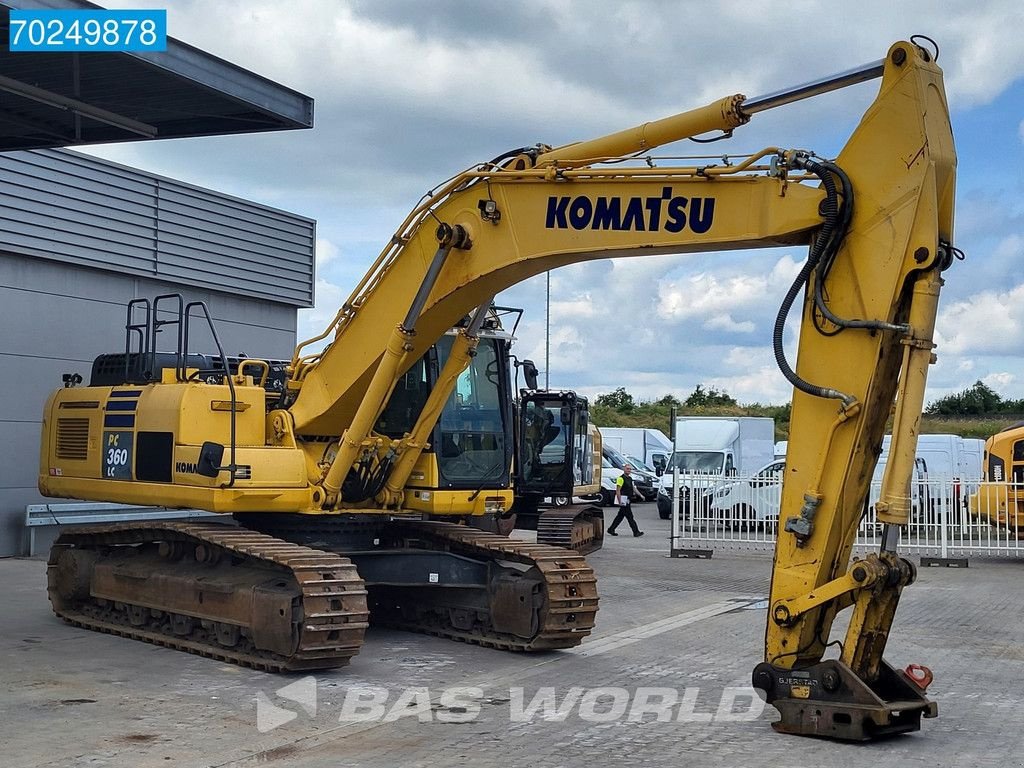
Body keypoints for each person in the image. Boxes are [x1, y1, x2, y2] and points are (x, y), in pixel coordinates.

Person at [608, 464, 644, 537]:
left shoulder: (630, 479)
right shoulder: (620, 478)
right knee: (630, 517)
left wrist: (640, 495)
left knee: (620, 516)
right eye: (627, 469)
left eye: (630, 469)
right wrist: (619, 501)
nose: (629, 470)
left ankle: (611, 529)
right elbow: (618, 490)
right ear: (624, 469)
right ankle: (636, 532)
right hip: (623, 500)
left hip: (628, 499)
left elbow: (633, 488)